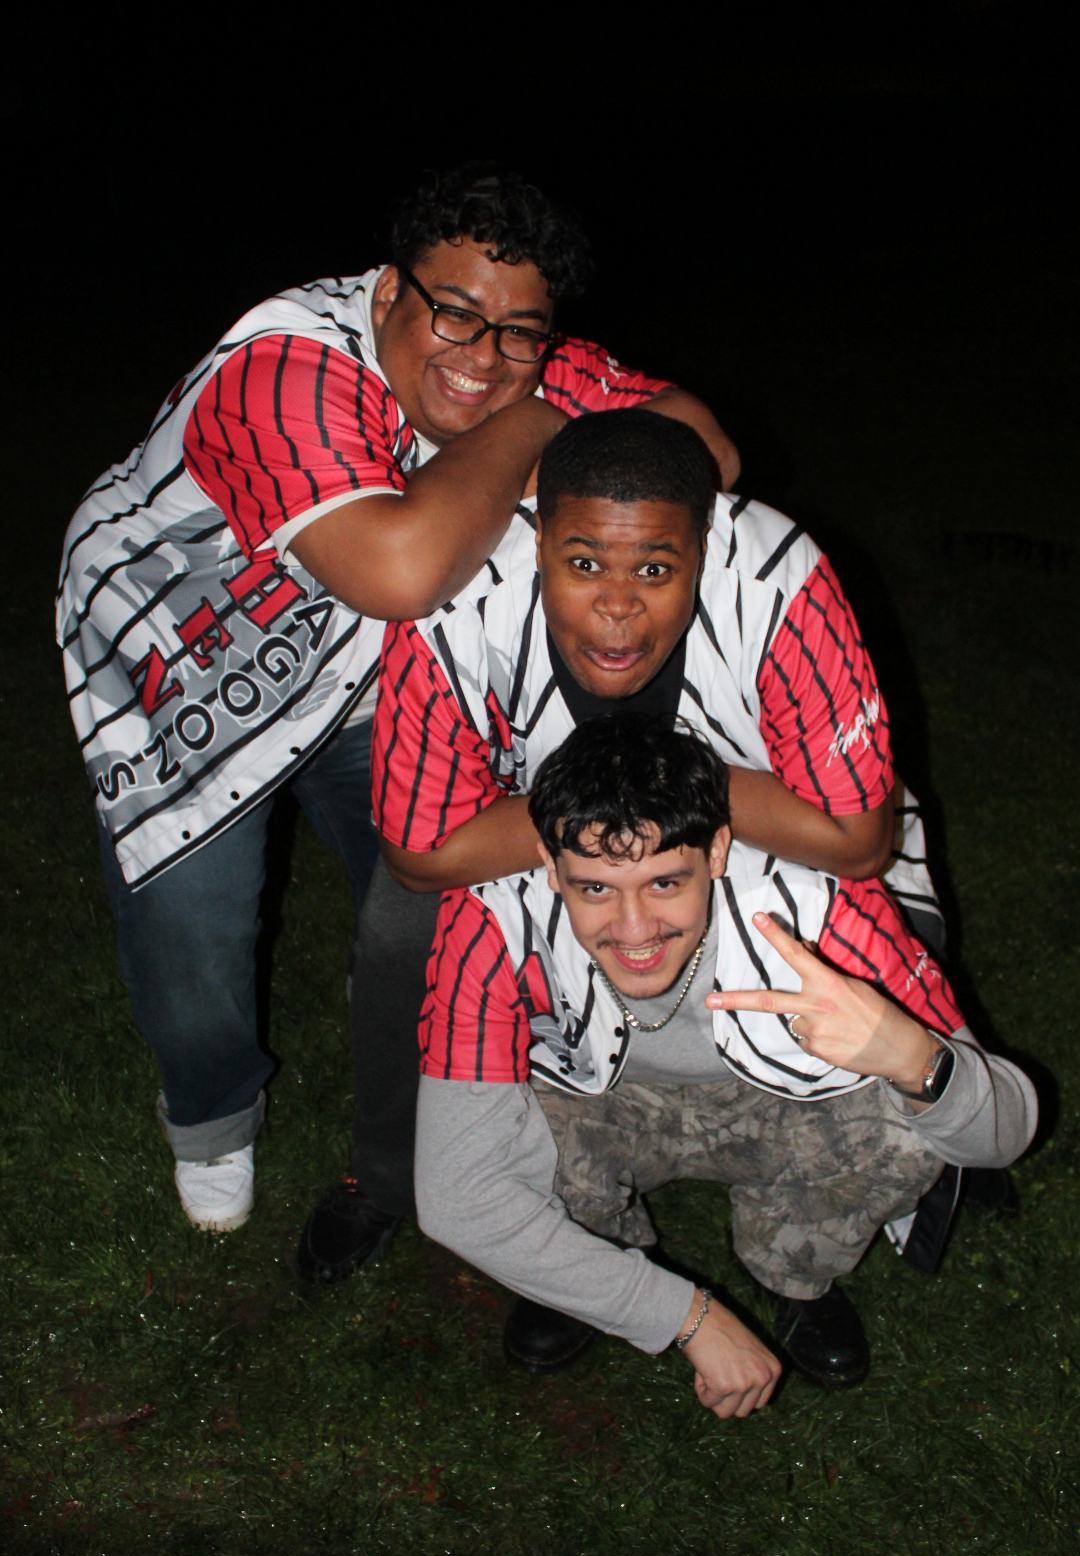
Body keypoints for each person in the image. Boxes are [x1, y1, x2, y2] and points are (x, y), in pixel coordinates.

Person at [57, 167, 738, 1236]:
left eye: (520, 334)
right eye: (453, 314)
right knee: (191, 943)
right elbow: (399, 571)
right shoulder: (283, 369)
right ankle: (214, 1115)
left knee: (438, 895)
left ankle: (443, 1120)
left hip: (351, 663)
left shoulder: (523, 358)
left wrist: (544, 399)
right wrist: (535, 426)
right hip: (172, 659)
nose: (480, 360)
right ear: (387, 293)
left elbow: (703, 451)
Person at [360, 404, 946, 1362]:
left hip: (748, 845)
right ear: (536, 537)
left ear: (705, 550)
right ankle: (587, 1256)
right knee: (421, 944)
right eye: (584, 562)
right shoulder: (460, 595)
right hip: (566, 854)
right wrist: (604, 827)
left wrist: (670, 784)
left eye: (656, 569)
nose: (619, 606)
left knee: (887, 964)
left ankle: (794, 1261)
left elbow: (854, 836)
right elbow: (422, 854)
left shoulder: (775, 576)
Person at [414, 717, 1035, 1402]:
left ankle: (790, 1269)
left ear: (717, 852)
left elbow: (1004, 1134)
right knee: (496, 1138)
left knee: (905, 1128)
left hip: (775, 1099)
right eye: (594, 888)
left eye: (663, 883)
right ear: (546, 859)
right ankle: (597, 1261)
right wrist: (683, 1316)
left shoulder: (819, 908)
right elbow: (454, 1198)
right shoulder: (490, 918)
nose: (634, 931)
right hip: (596, 1098)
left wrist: (915, 1057)